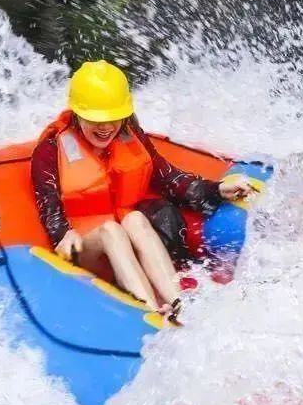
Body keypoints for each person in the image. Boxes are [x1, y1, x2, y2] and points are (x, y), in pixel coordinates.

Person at [31, 60, 254, 314]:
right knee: (110, 231)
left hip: (129, 246)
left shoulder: (130, 135)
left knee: (135, 219)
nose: (106, 127)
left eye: (113, 117)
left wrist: (215, 190)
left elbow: (168, 178)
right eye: (96, 119)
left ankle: (180, 302)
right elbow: (49, 206)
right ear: (78, 113)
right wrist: (61, 234)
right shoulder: (50, 150)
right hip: (87, 249)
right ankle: (147, 311)